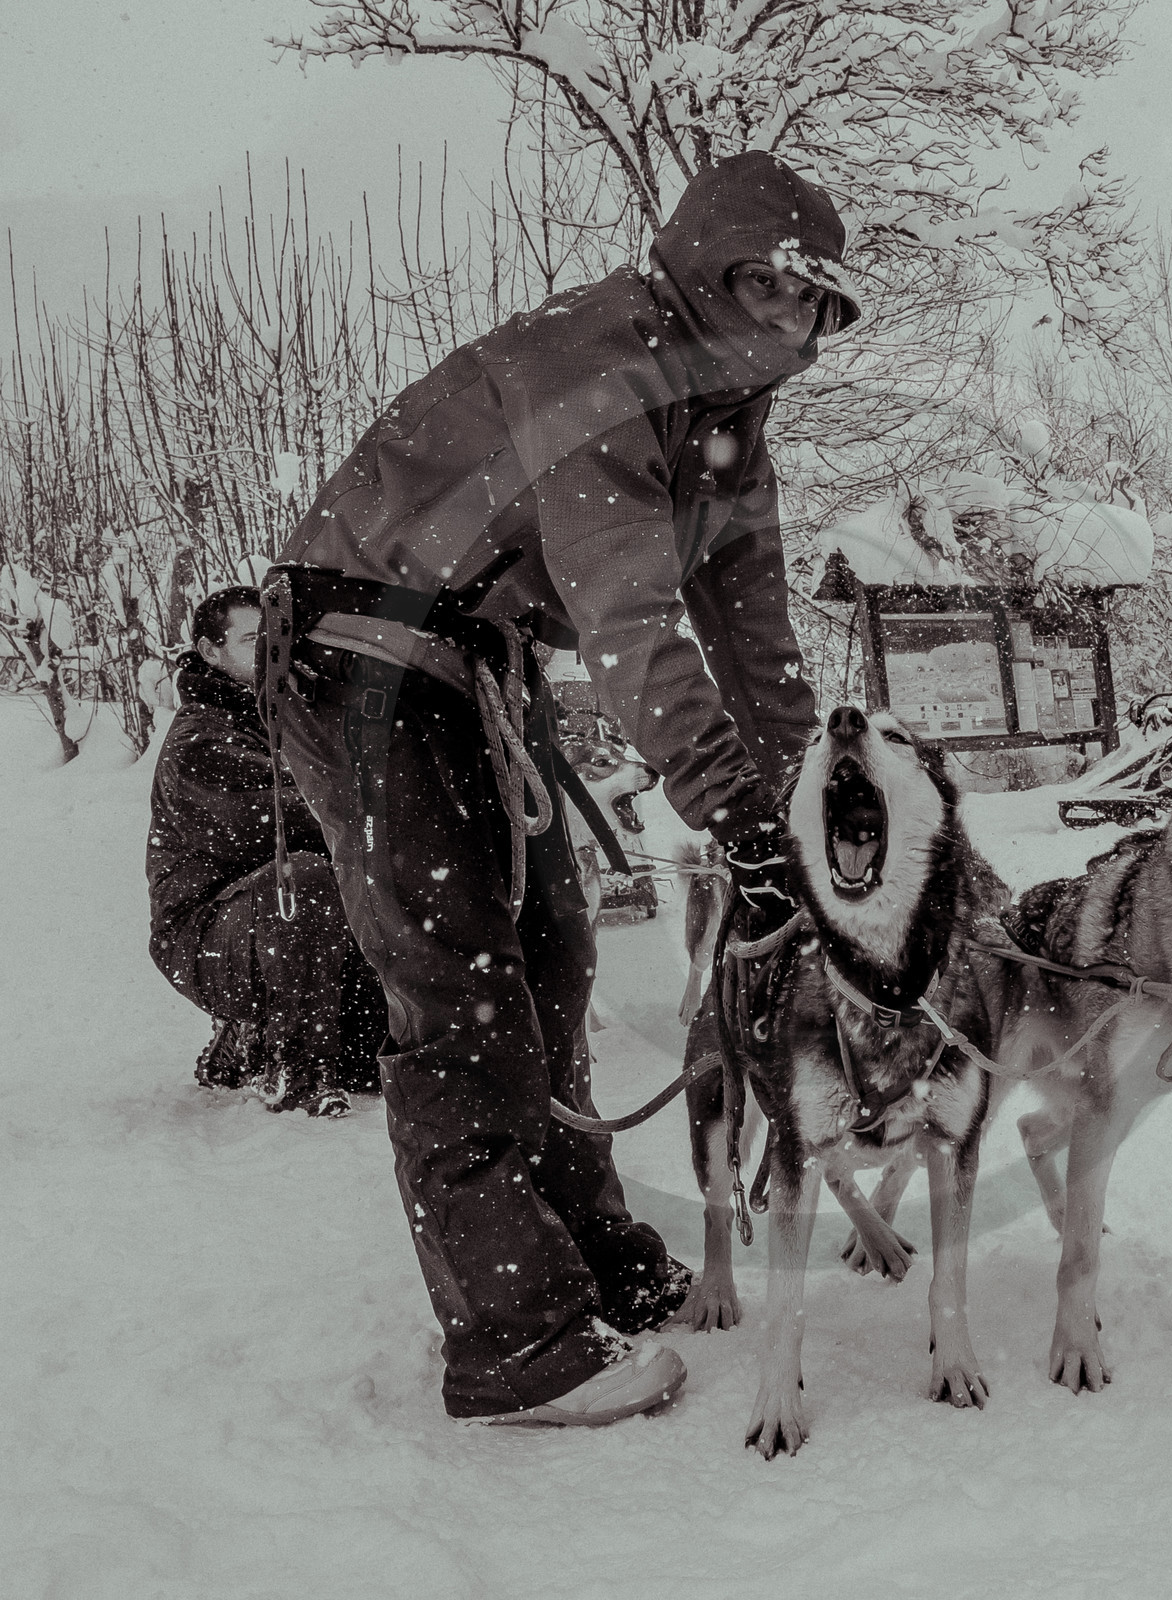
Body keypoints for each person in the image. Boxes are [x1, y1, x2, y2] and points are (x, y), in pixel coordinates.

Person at [261, 151, 860, 1426]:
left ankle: (586, 1253)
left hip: (472, 656)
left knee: (553, 956)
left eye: (813, 299)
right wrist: (733, 815)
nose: (790, 318)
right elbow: (631, 618)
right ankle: (513, 1340)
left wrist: (804, 808)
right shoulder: (599, 360)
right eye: (767, 284)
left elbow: (757, 649)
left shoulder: (730, 434)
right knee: (459, 983)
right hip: (362, 642)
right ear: (704, 268)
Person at [147, 586, 386, 1118]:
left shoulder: (286, 716)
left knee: (372, 1061)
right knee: (303, 881)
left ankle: (249, 1043)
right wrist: (377, 803)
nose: (267, 653)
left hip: (282, 931)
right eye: (251, 639)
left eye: (274, 639)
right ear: (210, 652)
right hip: (204, 938)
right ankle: (294, 1068)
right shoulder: (200, 740)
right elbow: (289, 820)